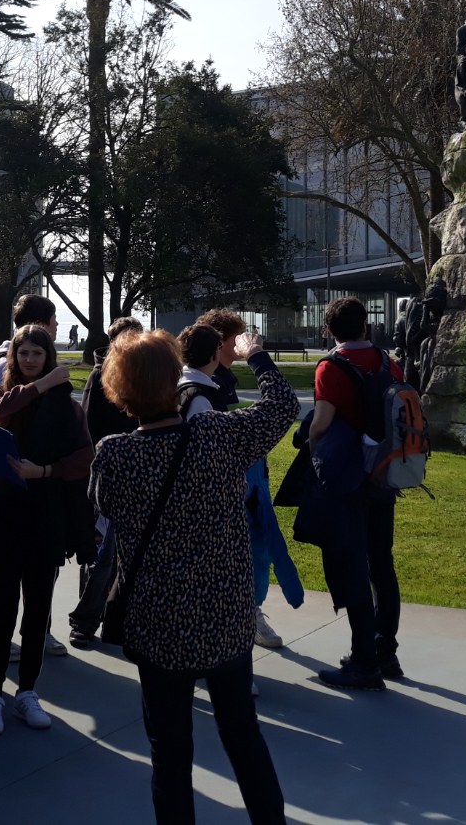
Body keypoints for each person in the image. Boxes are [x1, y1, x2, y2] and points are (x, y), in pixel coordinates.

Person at [90, 327, 296, 825]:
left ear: (120, 391)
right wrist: (257, 358)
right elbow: (284, 407)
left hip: (157, 624)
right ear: (175, 381)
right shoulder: (217, 436)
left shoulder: (115, 455)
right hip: (225, 618)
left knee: (170, 753)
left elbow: (106, 510)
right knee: (244, 737)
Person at [0, 325, 94, 736]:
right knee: (3, 610)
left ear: (48, 356)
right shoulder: (3, 393)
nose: (29, 360)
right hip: (7, 515)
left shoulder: (68, 407)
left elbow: (85, 457)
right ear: (13, 357)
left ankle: (27, 690)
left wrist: (43, 470)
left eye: (37, 353)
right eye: (23, 353)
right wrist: (43, 384)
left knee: (37, 611)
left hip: (48, 515)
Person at [177, 324, 303, 653]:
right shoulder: (201, 400)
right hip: (214, 518)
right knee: (219, 594)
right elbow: (281, 406)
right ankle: (224, 651)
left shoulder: (179, 390)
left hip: (196, 515)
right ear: (215, 352)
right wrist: (257, 356)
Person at [309, 296, 404, 690]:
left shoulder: (331, 367)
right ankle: (386, 651)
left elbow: (321, 423)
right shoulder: (388, 362)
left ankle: (363, 661)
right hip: (384, 473)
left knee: (353, 566)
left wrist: (311, 444)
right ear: (366, 326)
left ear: (330, 330)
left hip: (349, 478)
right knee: (382, 563)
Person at [0, 293, 69, 658]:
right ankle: (0, 631)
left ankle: (36, 629)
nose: (57, 326)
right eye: (53, 320)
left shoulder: (53, 385)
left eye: (37, 353)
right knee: (5, 567)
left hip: (39, 487)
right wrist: (42, 386)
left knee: (36, 567)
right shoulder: (5, 371)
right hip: (10, 484)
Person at [68, 315, 143, 648]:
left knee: (126, 555)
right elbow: (88, 428)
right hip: (108, 476)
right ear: (115, 342)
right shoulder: (101, 377)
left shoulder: (139, 374)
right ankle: (84, 622)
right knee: (101, 554)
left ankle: (117, 619)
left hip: (136, 474)